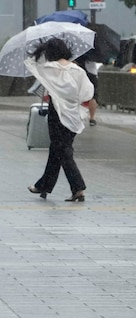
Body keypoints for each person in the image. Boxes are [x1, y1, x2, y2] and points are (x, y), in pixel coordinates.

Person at [25, 38, 94, 202]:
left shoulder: (48, 69)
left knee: (63, 151)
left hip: (56, 113)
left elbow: (31, 64)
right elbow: (87, 93)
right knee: (58, 149)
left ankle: (78, 188)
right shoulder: (77, 70)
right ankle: (43, 186)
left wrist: (39, 52)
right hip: (74, 114)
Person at [74, 55, 99, 126]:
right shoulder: (95, 48)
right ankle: (92, 118)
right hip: (92, 72)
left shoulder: (78, 50)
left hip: (79, 71)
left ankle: (77, 114)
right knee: (93, 96)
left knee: (77, 94)